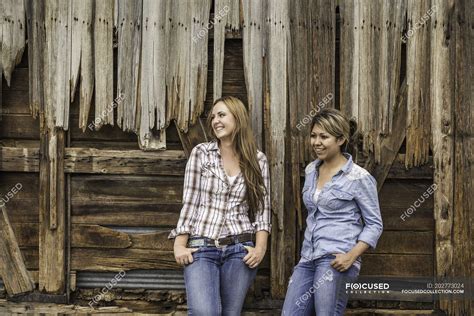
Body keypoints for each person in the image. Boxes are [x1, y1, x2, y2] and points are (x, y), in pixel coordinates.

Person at [168, 96, 271, 316]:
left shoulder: (257, 159)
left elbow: (262, 209)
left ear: (238, 117)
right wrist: (179, 245)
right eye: (213, 116)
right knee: (205, 312)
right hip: (201, 246)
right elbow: (190, 200)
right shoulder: (201, 154)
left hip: (239, 248)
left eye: (222, 115)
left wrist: (260, 248)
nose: (215, 120)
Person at [282, 108, 383, 315]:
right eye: (313, 135)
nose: (316, 142)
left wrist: (351, 256)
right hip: (308, 257)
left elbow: (374, 224)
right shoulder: (311, 170)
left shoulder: (358, 177)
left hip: (335, 260)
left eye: (324, 137)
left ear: (340, 139)